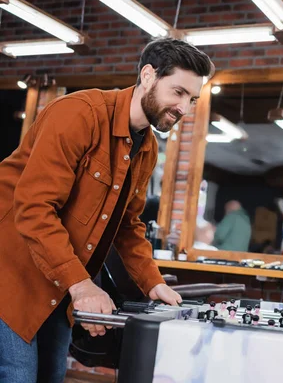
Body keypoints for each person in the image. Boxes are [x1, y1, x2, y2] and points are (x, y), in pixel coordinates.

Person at [0, 37, 214, 383]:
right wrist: (83, 286)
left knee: (51, 376)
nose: (184, 109)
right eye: (177, 92)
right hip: (11, 272)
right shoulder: (78, 115)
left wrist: (153, 283)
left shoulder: (147, 148)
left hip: (58, 282)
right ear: (148, 76)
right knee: (19, 376)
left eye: (192, 99)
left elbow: (128, 226)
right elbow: (34, 208)